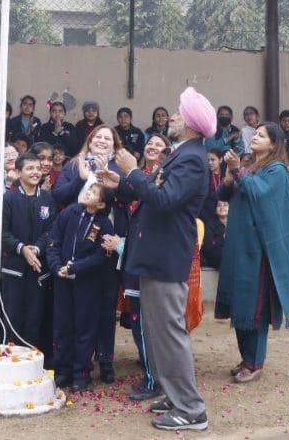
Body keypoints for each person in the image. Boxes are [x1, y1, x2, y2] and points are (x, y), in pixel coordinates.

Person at [99, 87, 215, 431]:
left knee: (168, 333)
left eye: (179, 114)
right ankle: (174, 392)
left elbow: (164, 199)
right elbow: (155, 192)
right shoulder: (183, 155)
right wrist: (123, 180)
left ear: (191, 124)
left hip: (166, 260)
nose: (173, 117)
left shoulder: (192, 158)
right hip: (155, 257)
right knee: (157, 332)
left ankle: (192, 410)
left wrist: (134, 171)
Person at [216, 122, 289, 385]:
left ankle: (255, 363)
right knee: (240, 304)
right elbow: (223, 194)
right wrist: (231, 174)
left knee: (256, 309)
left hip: (261, 249)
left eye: (261, 135)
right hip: (241, 247)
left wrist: (238, 171)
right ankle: (246, 358)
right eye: (255, 134)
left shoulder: (277, 170)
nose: (255, 137)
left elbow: (258, 194)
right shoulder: (251, 166)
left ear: (274, 144)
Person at [53, 124, 127, 383]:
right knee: (73, 310)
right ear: (90, 140)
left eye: (108, 138)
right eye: (99, 137)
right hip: (73, 246)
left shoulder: (119, 169)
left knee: (106, 304)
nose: (103, 141)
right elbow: (58, 194)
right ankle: (71, 364)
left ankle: (104, 359)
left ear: (115, 145)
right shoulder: (75, 165)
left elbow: (128, 199)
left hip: (105, 244)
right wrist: (82, 177)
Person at [103, 130, 170, 402]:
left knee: (146, 323)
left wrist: (122, 244)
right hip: (133, 258)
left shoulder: (161, 180)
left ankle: (154, 379)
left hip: (147, 260)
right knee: (139, 320)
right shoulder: (136, 177)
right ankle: (154, 375)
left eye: (159, 144)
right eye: (150, 143)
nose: (153, 146)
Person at [46, 182, 113, 392]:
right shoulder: (69, 214)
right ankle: (63, 370)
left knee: (85, 326)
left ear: (101, 204)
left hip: (88, 283)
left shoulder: (104, 224)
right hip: (63, 280)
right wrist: (57, 266)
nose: (88, 193)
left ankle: (81, 371)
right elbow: (53, 241)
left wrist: (76, 267)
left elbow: (101, 256)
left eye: (93, 192)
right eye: (88, 189)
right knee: (62, 324)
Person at [0, 150, 57, 350]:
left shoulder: (48, 199)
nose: (35, 172)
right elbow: (2, 232)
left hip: (39, 269)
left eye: (38, 168)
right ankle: (10, 360)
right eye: (29, 168)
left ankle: (33, 361)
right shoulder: (9, 197)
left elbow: (52, 229)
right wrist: (22, 248)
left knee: (36, 317)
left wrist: (38, 248)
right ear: (18, 172)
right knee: (13, 315)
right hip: (13, 268)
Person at [201, 200, 229, 269]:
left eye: (225, 205)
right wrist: (223, 238)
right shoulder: (210, 225)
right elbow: (208, 247)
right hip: (216, 259)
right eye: (219, 205)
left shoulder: (234, 224)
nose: (222, 207)